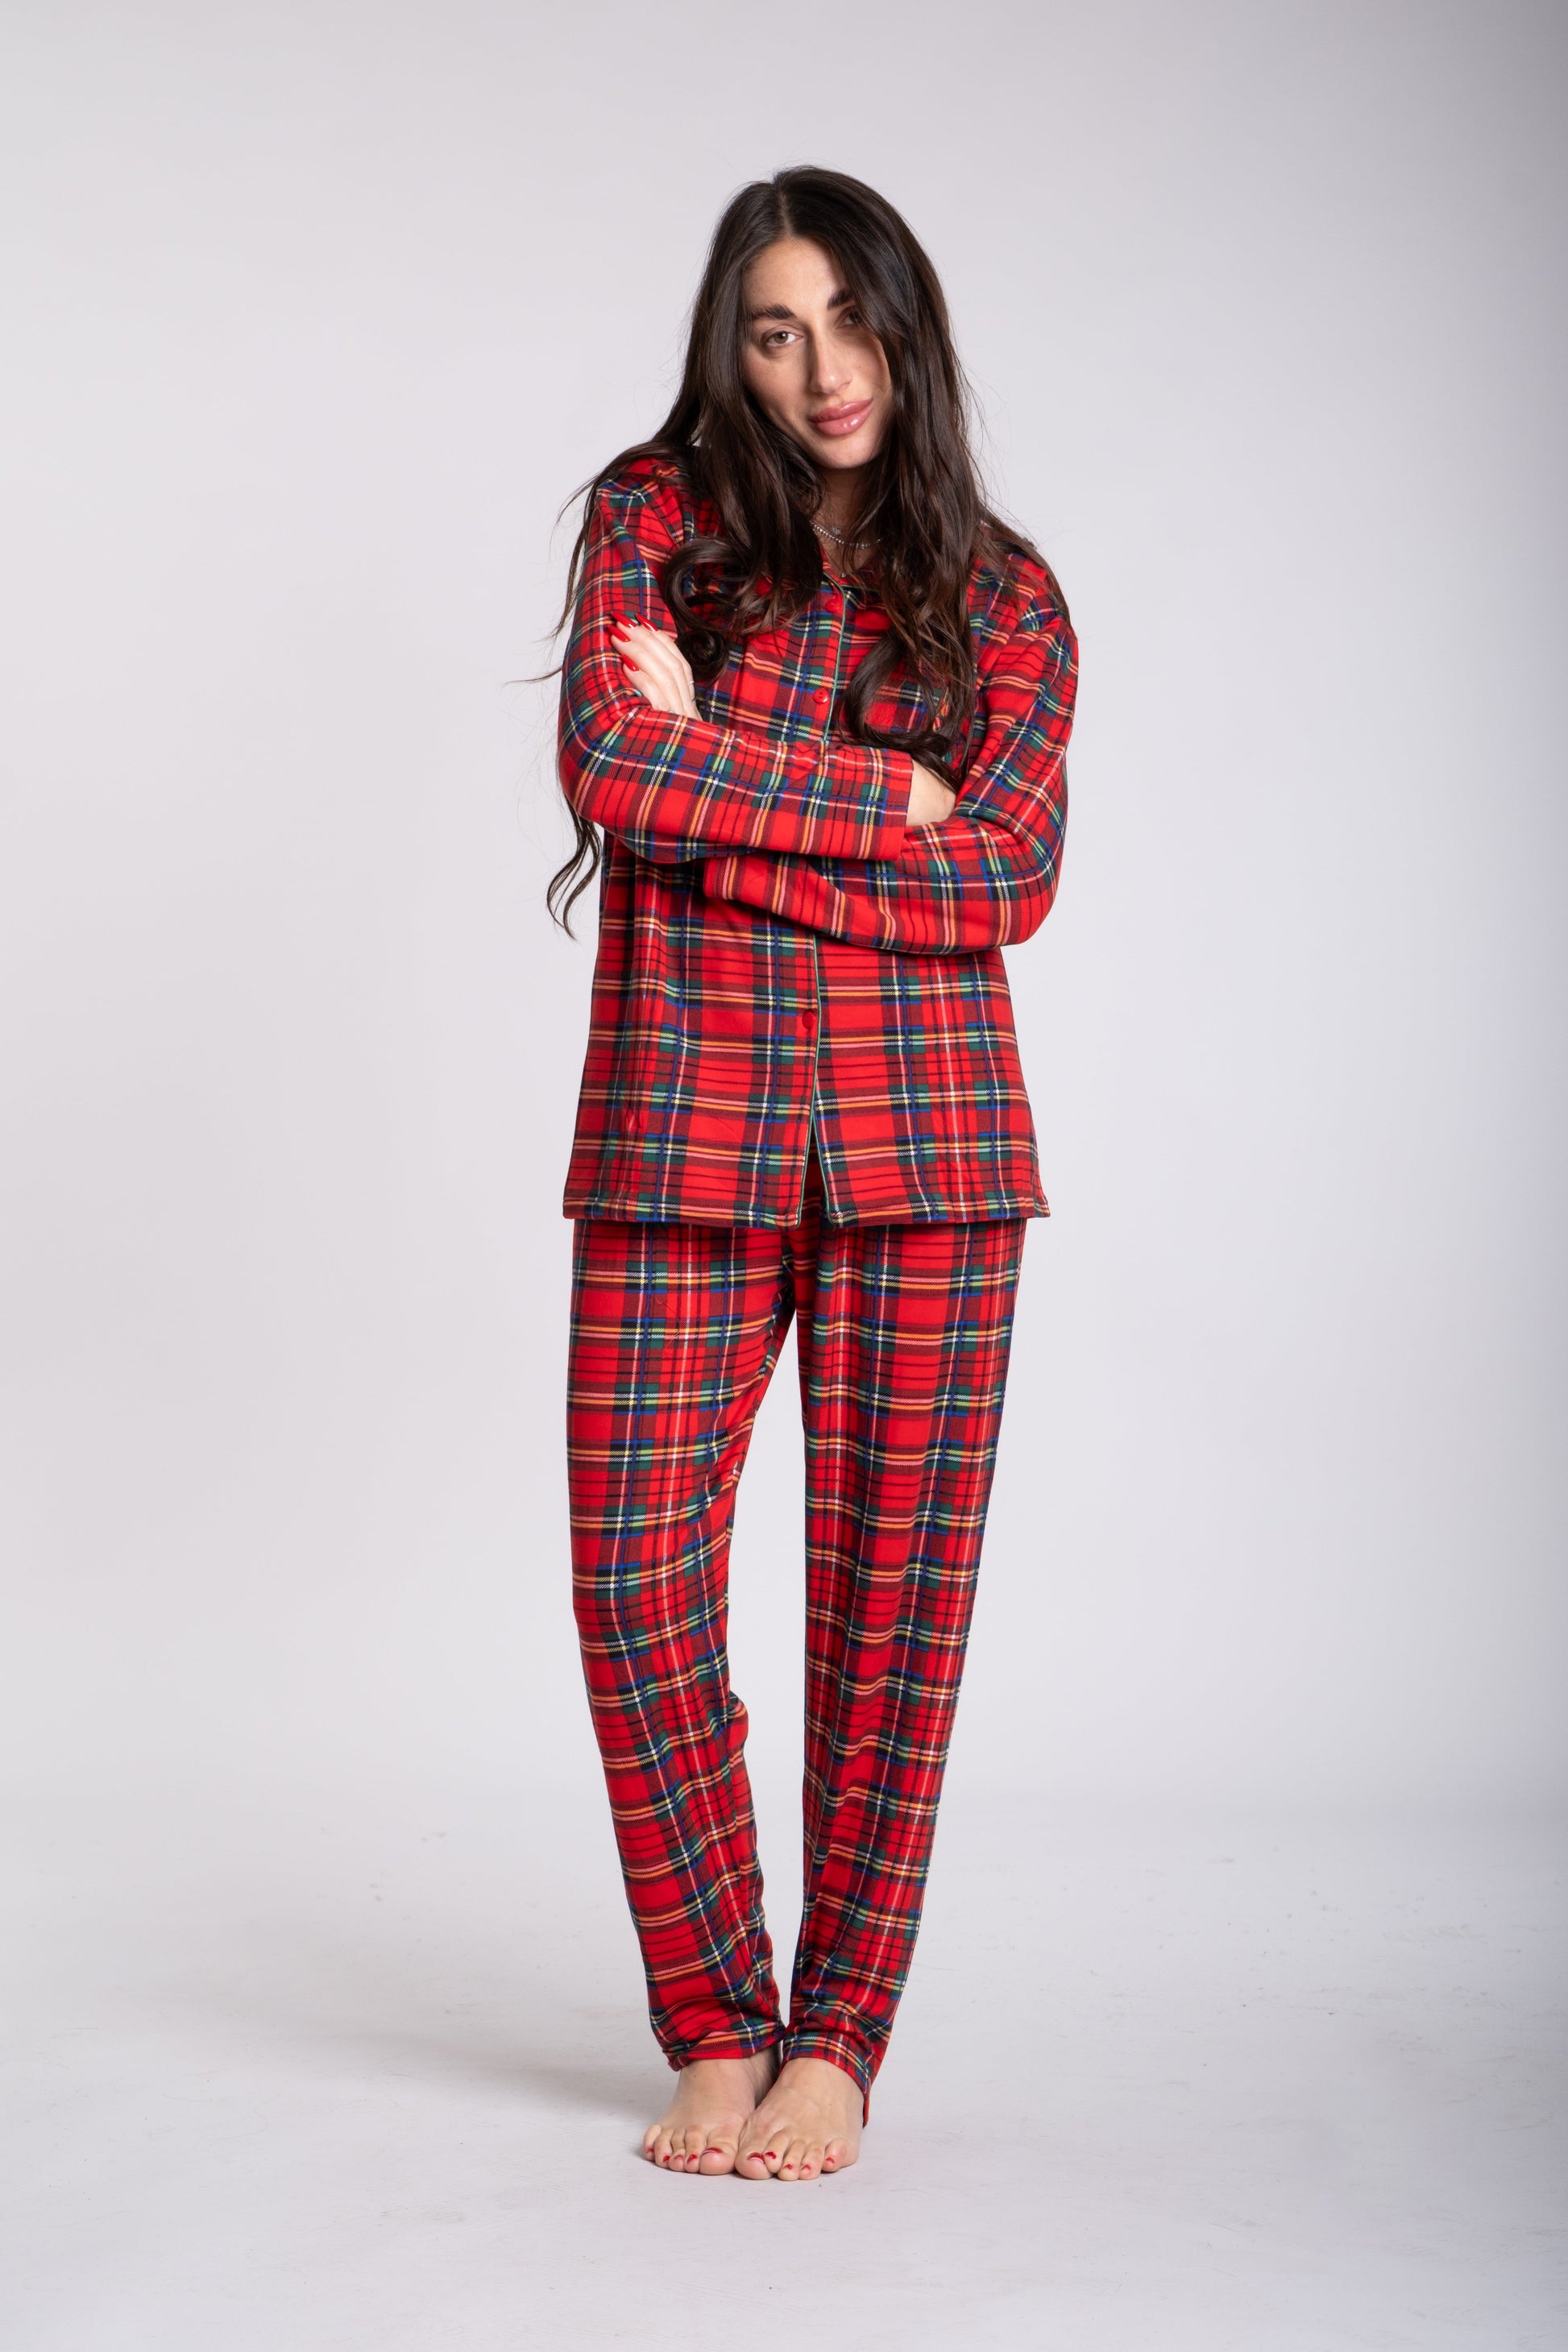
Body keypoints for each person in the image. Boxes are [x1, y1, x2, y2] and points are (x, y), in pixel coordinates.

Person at [548, 166, 1077, 2182]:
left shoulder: (1005, 595)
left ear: (905, 332)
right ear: (730, 346)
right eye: (774, 331)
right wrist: (883, 797)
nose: (822, 368)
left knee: (890, 1612)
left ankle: (833, 2038)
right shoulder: (653, 518)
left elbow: (1006, 874)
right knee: (629, 1576)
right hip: (678, 1120)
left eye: (851, 322)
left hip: (927, 1143)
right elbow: (615, 767)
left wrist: (728, 801)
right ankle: (712, 2015)